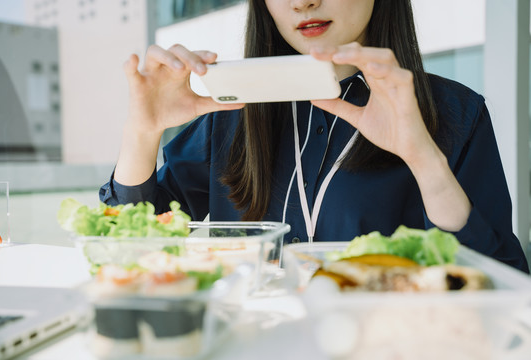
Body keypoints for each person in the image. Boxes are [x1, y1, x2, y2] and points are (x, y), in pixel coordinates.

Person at [99, 0, 529, 273]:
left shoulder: (456, 113)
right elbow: (125, 252)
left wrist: (423, 159)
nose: (303, 2)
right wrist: (143, 130)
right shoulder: (233, 114)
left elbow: (505, 286)